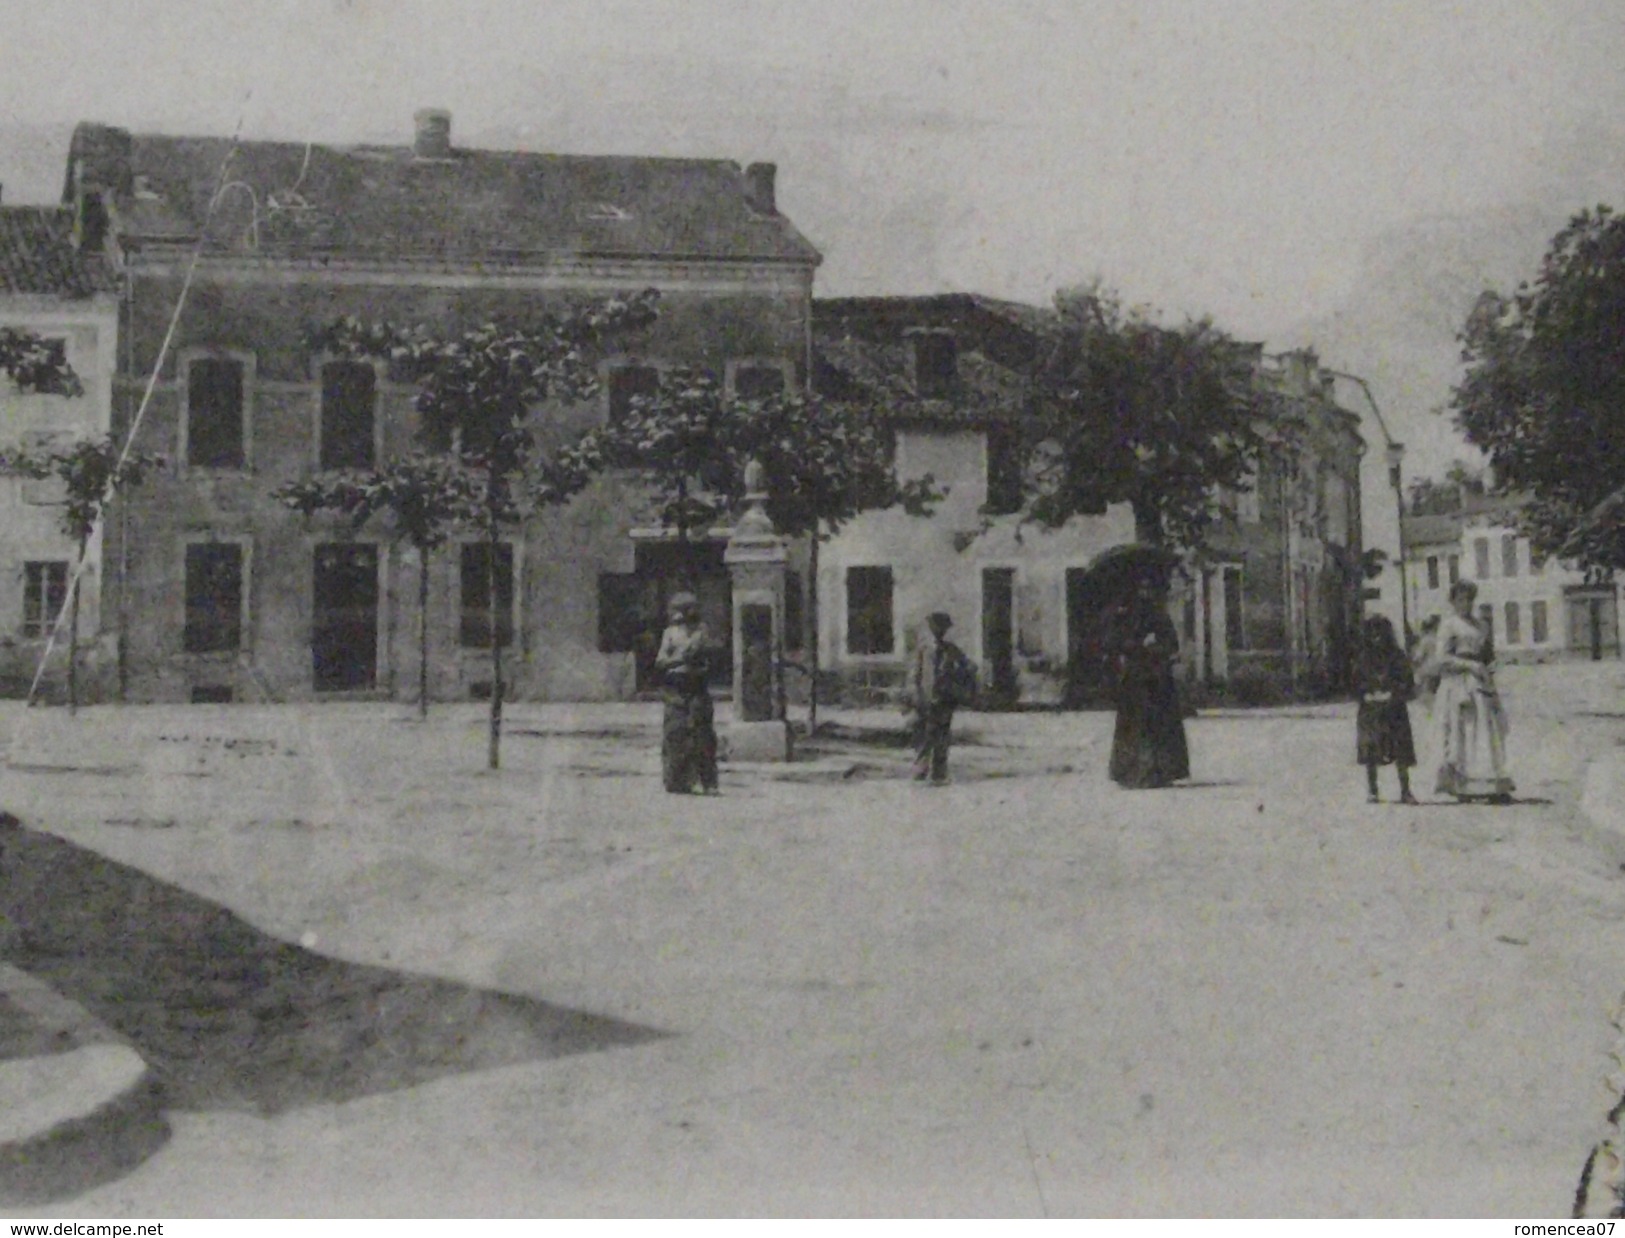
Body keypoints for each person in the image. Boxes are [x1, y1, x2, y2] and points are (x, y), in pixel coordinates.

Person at [1431, 579, 1514, 803]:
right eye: (1460, 600)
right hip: (1458, 683)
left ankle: (1490, 783)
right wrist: (1468, 665)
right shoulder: (1449, 625)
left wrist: (1489, 665)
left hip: (1481, 683)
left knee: (1487, 731)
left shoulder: (1481, 626)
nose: (1465, 604)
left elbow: (1488, 654)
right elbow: (1441, 658)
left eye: (1468, 599)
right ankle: (1462, 785)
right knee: (1462, 732)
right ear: (1453, 601)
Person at [1107, 572, 1190, 789]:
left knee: (1160, 726)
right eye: (1141, 589)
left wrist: (1156, 646)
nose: (1145, 594)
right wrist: (1138, 644)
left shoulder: (1160, 616)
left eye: (1148, 589)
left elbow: (1172, 644)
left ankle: (1161, 772)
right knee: (1134, 727)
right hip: (1135, 679)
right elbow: (1116, 642)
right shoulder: (1126, 616)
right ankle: (1132, 773)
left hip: (1157, 678)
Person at [654, 592, 719, 795]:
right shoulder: (670, 633)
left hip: (697, 685)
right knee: (676, 732)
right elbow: (661, 661)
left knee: (702, 733)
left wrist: (702, 659)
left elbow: (711, 659)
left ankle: (707, 780)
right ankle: (676, 780)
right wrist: (682, 659)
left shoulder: (703, 632)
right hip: (676, 686)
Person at [906, 611, 976, 786]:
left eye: (942, 628)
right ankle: (920, 770)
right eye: (935, 628)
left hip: (945, 699)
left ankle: (939, 772)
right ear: (931, 629)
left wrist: (958, 684)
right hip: (926, 698)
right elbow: (915, 674)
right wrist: (916, 694)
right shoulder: (923, 649)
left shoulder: (951, 649)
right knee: (924, 735)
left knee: (942, 736)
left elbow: (969, 667)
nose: (939, 631)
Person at [1354, 614, 1418, 804]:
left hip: (1394, 708)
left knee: (1400, 749)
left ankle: (1405, 790)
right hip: (1370, 709)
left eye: (1380, 633)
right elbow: (1355, 682)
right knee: (1371, 748)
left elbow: (1407, 681)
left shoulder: (1397, 656)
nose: (1377, 638)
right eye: (1372, 634)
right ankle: (1373, 790)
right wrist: (1365, 694)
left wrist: (1394, 693)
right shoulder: (1363, 657)